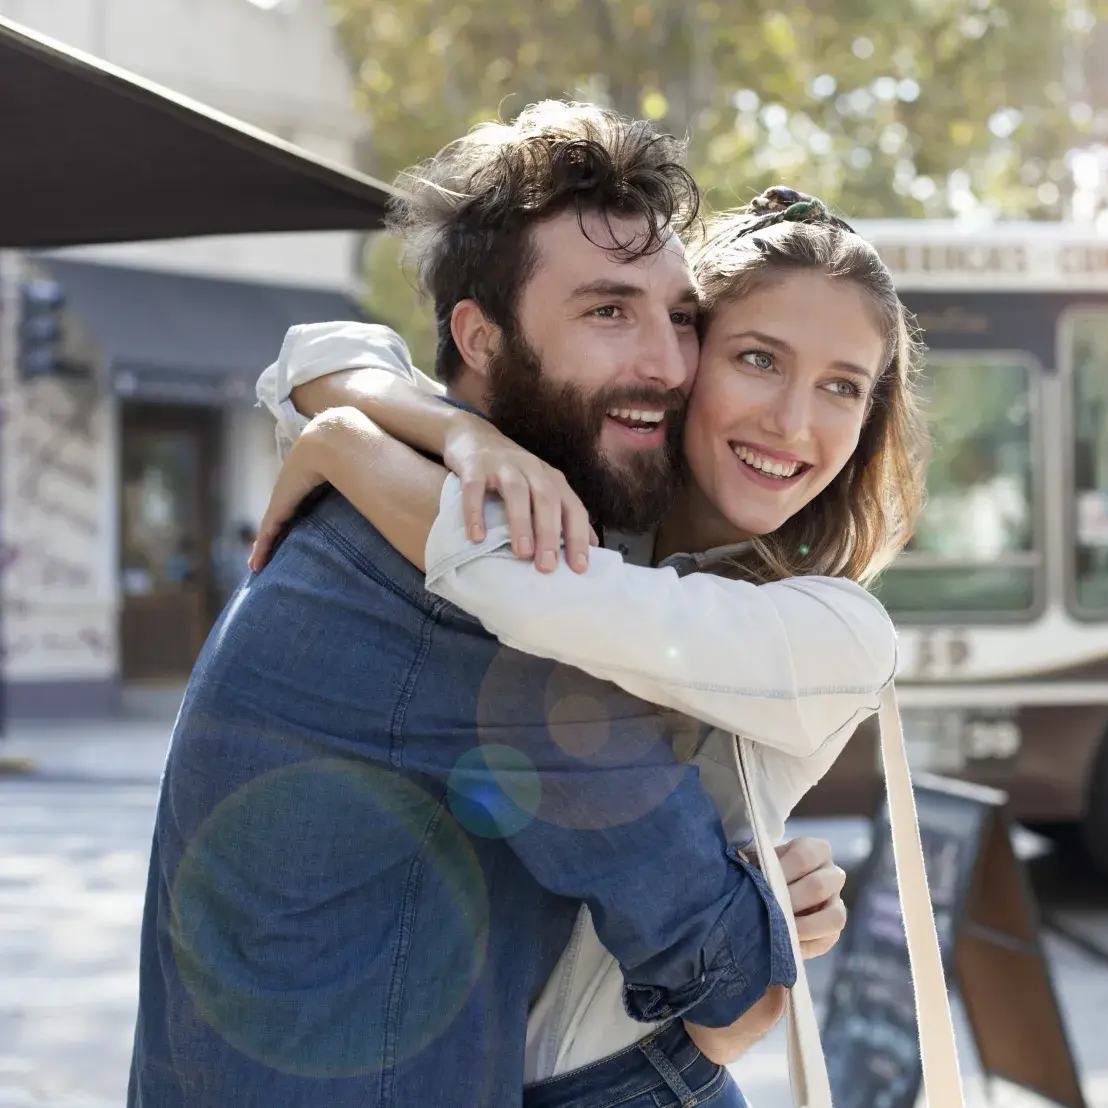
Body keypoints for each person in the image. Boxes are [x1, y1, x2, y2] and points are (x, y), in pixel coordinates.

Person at [127, 104, 841, 1108]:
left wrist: (364, 429)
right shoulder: (496, 606)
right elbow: (734, 992)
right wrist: (775, 911)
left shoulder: (394, 505)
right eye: (607, 312)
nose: (670, 364)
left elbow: (328, 357)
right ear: (483, 339)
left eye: (679, 316)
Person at [249, 184, 931, 1107]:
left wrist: (343, 442)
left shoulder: (838, 630)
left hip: (635, 1078)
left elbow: (529, 592)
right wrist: (442, 427)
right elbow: (326, 349)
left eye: (842, 386)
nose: (794, 422)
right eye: (759, 359)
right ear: (683, 361)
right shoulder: (602, 521)